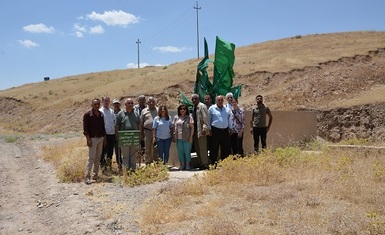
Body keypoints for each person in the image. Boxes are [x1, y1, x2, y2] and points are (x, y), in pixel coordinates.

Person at [83, 98, 106, 185]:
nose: (97, 106)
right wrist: (88, 139)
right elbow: (85, 129)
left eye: (98, 104)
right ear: (92, 105)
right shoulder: (87, 115)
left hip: (100, 138)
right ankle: (87, 176)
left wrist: (104, 139)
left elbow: (103, 127)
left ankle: (95, 175)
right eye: (95, 104)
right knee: (91, 158)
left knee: (98, 157)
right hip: (92, 138)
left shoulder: (101, 114)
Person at [115, 98, 141, 171]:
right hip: (124, 139)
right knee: (125, 156)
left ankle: (132, 170)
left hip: (134, 138)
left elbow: (139, 124)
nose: (130, 105)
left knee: (133, 156)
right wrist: (117, 136)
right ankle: (126, 171)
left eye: (131, 103)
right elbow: (117, 125)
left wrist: (140, 135)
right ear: (125, 104)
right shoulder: (120, 114)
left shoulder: (136, 113)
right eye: (128, 103)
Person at [208, 95, 232, 164]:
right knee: (214, 147)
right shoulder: (212, 108)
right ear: (216, 101)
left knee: (225, 148)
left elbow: (229, 119)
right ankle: (213, 163)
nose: (220, 101)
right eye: (219, 100)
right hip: (215, 130)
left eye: (221, 100)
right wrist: (209, 129)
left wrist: (230, 128)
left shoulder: (226, 109)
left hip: (225, 131)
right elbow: (208, 119)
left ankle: (224, 163)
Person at [173, 104, 194, 170]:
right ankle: (182, 164)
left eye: (184, 109)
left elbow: (192, 127)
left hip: (187, 137)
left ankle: (187, 164)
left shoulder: (189, 117)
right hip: (178, 138)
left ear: (186, 110)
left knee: (187, 151)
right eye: (181, 109)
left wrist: (191, 136)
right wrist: (173, 136)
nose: (182, 110)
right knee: (180, 151)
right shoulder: (176, 117)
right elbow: (173, 127)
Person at [191, 94, 210, 170]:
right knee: (197, 148)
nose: (194, 100)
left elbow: (206, 118)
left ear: (198, 99)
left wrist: (205, 128)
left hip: (201, 131)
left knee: (202, 148)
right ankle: (201, 163)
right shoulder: (194, 107)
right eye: (193, 99)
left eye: (195, 99)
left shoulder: (202, 106)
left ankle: (205, 164)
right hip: (195, 131)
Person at [99, 96, 116, 173]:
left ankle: (109, 166)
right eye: (105, 101)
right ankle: (103, 168)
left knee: (110, 152)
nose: (106, 102)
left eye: (108, 101)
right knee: (103, 152)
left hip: (112, 134)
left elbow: (114, 122)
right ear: (102, 102)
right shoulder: (100, 111)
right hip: (104, 135)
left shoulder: (111, 111)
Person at [140, 97, 158, 164]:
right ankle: (148, 163)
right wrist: (141, 134)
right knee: (147, 148)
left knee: (156, 148)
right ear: (147, 103)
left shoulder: (158, 110)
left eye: (153, 101)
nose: (151, 103)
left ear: (155, 102)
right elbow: (141, 123)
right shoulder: (144, 111)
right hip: (147, 132)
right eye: (150, 102)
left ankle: (156, 163)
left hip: (156, 131)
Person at [134, 95, 147, 162]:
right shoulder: (134, 108)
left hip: (145, 129)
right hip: (136, 129)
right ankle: (137, 158)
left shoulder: (147, 108)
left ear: (145, 101)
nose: (142, 101)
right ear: (138, 100)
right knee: (136, 144)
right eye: (140, 99)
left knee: (144, 144)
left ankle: (143, 158)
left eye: (143, 99)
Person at [112, 99, 122, 171]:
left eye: (117, 104)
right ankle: (119, 164)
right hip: (112, 134)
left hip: (122, 134)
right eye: (115, 104)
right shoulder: (111, 113)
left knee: (122, 151)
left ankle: (123, 164)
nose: (116, 105)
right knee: (116, 151)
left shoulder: (123, 112)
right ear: (113, 105)